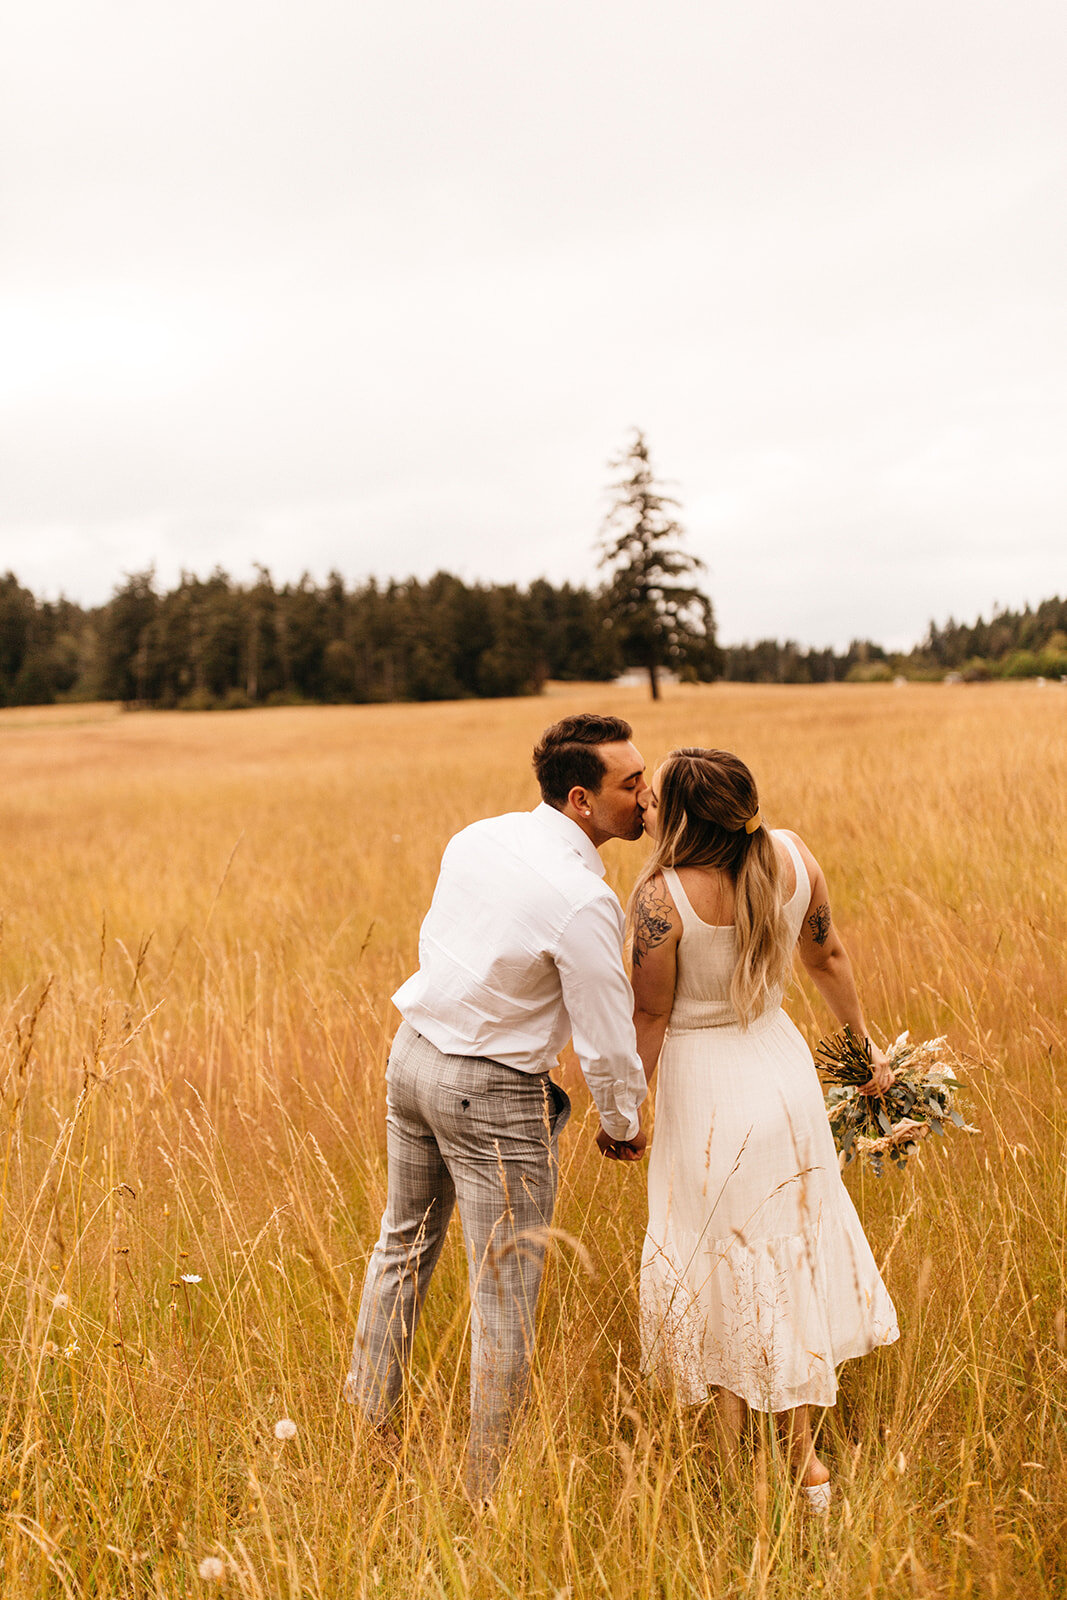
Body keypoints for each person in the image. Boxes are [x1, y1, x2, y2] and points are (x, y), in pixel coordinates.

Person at [345, 712, 649, 1499]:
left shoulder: (477, 836)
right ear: (581, 800)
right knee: (504, 1293)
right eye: (631, 783)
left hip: (412, 1055)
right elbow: (606, 1037)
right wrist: (622, 1123)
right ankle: (487, 1491)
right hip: (492, 1091)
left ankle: (369, 1433)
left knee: (399, 1252)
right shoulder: (582, 898)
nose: (647, 795)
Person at [630, 747, 899, 1515]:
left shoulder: (659, 897)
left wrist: (623, 1110)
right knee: (780, 1258)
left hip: (705, 1085)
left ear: (679, 815)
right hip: (782, 1079)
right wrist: (863, 1044)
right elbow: (827, 956)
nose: (644, 804)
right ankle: (800, 1462)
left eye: (656, 798)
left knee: (721, 1260)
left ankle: (755, 1465)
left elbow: (649, 1013)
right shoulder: (792, 856)